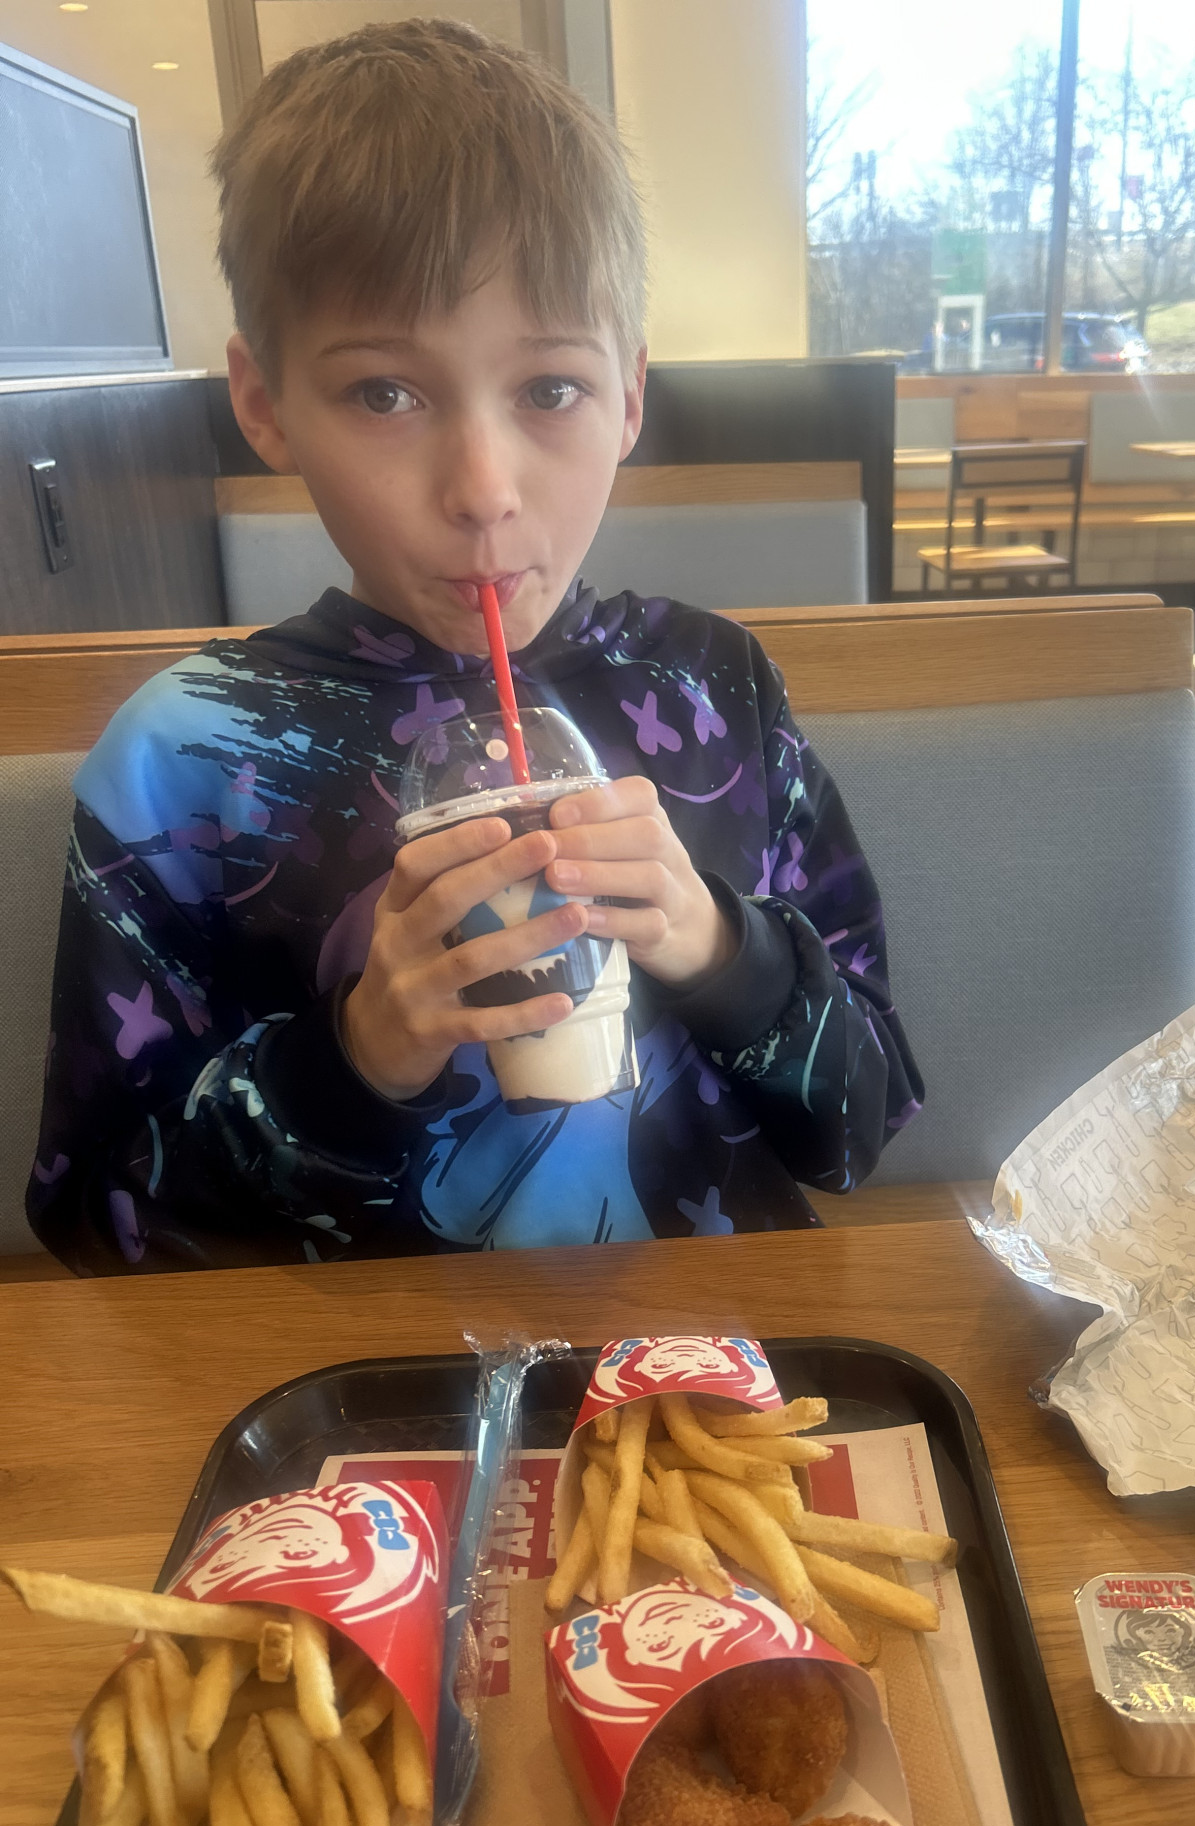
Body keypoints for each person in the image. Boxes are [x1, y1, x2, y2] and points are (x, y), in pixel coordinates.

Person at [26, 21, 921, 1274]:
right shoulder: (183, 757)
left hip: (711, 1360)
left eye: (550, 388)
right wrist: (352, 1059)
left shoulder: (713, 687)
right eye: (385, 394)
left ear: (629, 397)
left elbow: (863, 1124)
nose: (484, 489)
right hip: (368, 1381)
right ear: (265, 403)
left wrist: (723, 947)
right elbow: (97, 1230)